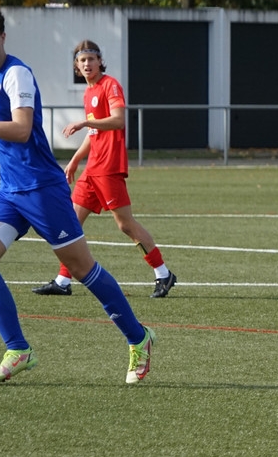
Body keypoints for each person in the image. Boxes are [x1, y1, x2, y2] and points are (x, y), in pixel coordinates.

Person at [0, 1, 155, 385]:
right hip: (10, 191)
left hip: (42, 189)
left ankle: (139, 338)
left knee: (81, 269)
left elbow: (23, 128)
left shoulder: (17, 75)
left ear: (3, 37)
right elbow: (9, 130)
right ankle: (18, 350)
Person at [32, 39, 177, 298]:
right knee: (71, 221)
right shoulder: (88, 92)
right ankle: (63, 281)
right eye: (82, 60)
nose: (87, 64)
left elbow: (118, 120)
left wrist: (83, 123)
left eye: (91, 59)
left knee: (125, 225)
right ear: (76, 66)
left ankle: (163, 273)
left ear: (100, 61)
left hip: (108, 166)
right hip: (92, 168)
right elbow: (94, 132)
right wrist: (76, 159)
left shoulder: (110, 85)